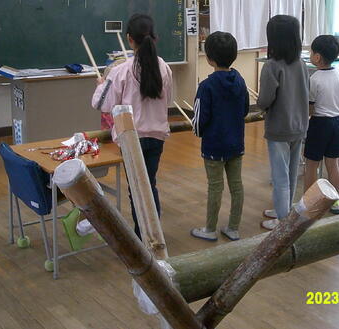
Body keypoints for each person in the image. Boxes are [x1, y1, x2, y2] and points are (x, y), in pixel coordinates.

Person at [91, 14, 173, 239]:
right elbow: (168, 99)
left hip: (131, 138)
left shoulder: (121, 71)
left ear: (129, 39)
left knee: (137, 189)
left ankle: (143, 238)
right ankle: (153, 234)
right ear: (154, 37)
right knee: (149, 185)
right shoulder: (164, 67)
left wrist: (101, 85)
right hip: (156, 137)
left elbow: (101, 104)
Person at [190, 32, 249, 242]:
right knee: (236, 185)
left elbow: (199, 119)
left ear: (209, 59)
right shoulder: (240, 80)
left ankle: (209, 229)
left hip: (213, 145)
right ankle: (233, 228)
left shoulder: (206, 86)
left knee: (215, 186)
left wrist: (198, 132)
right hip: (236, 143)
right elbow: (244, 110)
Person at [257, 15, 309, 230]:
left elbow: (265, 99)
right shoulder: (302, 64)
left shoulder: (271, 66)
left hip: (279, 127)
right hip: (299, 125)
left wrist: (260, 106)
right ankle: (284, 210)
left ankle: (282, 221)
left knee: (280, 176)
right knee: (291, 173)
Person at [303, 35, 339, 213]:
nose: (310, 55)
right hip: (338, 123)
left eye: (311, 52)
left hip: (320, 124)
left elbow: (310, 108)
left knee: (311, 165)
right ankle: (335, 202)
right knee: (333, 165)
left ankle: (309, 203)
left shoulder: (315, 79)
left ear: (317, 57)